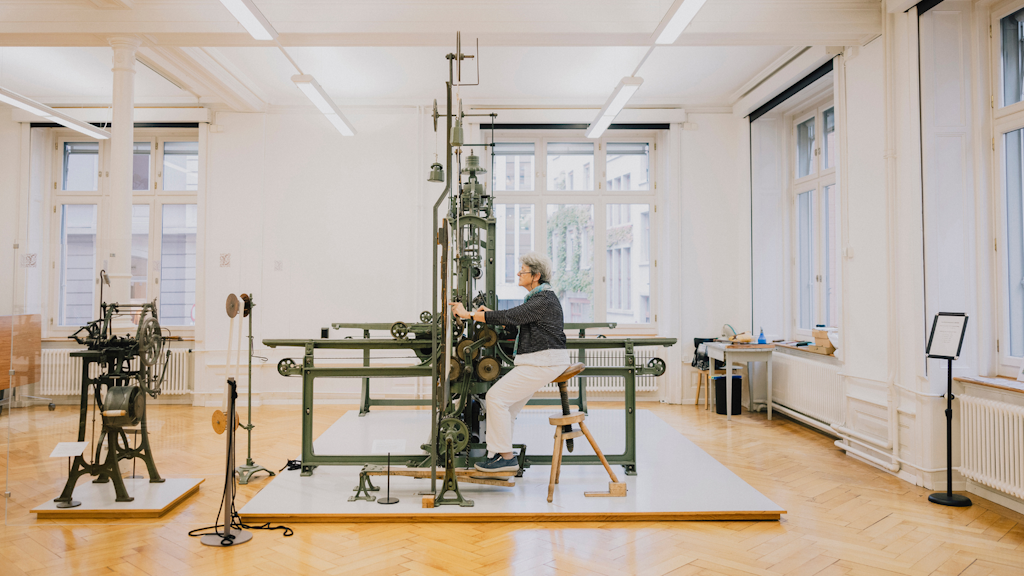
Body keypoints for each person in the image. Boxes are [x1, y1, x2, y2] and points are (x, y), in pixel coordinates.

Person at [450, 252, 570, 472]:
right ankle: (499, 455)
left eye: (523, 270)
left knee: (495, 398)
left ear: (536, 275)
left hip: (543, 361)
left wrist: (468, 315)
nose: (518, 273)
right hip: (541, 360)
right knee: (508, 408)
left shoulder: (543, 300)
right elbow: (517, 320)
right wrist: (491, 314)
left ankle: (506, 458)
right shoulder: (539, 298)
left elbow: (512, 316)